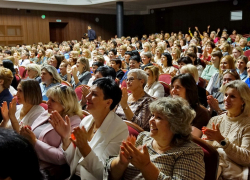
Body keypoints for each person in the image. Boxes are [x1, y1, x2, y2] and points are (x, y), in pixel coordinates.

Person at [105, 97, 205, 180]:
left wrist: (146, 166)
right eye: (152, 115)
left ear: (175, 124)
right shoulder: (144, 137)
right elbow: (111, 175)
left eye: (159, 117)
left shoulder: (190, 151)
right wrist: (121, 162)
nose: (151, 120)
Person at [49, 77, 128, 180]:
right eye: (89, 92)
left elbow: (103, 174)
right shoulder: (87, 121)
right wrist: (65, 138)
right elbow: (72, 162)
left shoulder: (119, 129)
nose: (87, 97)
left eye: (94, 94)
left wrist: (85, 148)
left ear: (108, 102)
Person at [19, 85, 82, 178]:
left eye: (52, 100)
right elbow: (33, 134)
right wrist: (26, 132)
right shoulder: (47, 113)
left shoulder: (74, 123)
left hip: (45, 169)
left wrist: (34, 142)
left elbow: (61, 158)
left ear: (66, 104)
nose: (47, 103)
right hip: (27, 158)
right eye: (48, 99)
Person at [202, 80, 250, 180]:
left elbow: (246, 158)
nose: (226, 99)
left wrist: (221, 141)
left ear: (243, 101)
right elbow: (203, 147)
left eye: (232, 97)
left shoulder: (247, 124)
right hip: (209, 163)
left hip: (232, 170)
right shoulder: (215, 120)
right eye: (225, 95)